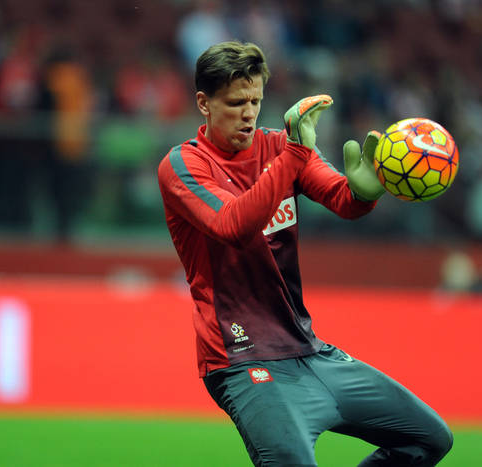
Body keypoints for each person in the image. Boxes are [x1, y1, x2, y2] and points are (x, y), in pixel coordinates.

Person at [157, 41, 453, 467]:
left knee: (429, 438)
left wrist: (365, 192)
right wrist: (295, 154)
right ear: (204, 103)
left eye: (255, 101)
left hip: (308, 349)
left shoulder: (281, 147)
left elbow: (342, 199)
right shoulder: (184, 165)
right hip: (240, 359)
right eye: (236, 103)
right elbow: (233, 226)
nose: (248, 113)